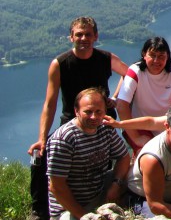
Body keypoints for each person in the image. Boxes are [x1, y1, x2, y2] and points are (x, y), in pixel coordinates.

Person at [28, 16, 129, 220]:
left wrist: (116, 98)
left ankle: (100, 204)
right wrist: (42, 137)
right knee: (44, 158)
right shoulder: (60, 63)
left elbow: (129, 75)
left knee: (102, 163)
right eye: (79, 34)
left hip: (103, 122)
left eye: (88, 34)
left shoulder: (105, 58)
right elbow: (50, 102)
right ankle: (39, 211)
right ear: (70, 37)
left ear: (96, 36)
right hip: (71, 120)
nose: (83, 38)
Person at [46, 88, 130, 220]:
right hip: (68, 207)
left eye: (98, 112)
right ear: (76, 111)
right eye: (88, 112)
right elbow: (56, 186)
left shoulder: (105, 128)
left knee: (136, 174)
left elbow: (124, 157)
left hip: (98, 191)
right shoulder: (64, 139)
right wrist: (85, 216)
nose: (94, 117)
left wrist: (116, 184)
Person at [116, 37, 171, 155]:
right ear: (144, 54)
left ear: (167, 57)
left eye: (161, 56)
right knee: (148, 156)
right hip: (139, 126)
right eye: (152, 55)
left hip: (165, 126)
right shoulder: (136, 71)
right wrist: (136, 138)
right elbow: (121, 105)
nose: (156, 60)